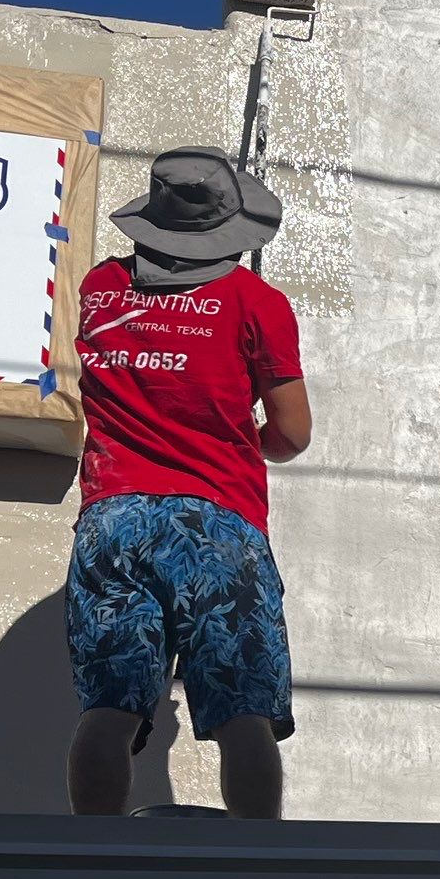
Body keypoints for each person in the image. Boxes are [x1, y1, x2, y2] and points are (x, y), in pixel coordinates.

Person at [63, 148, 313, 819]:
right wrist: (231, 446)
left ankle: (90, 859)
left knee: (110, 708)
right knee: (243, 713)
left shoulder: (98, 288)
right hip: (217, 523)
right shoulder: (256, 302)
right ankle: (256, 867)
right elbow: (292, 433)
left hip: (111, 519)